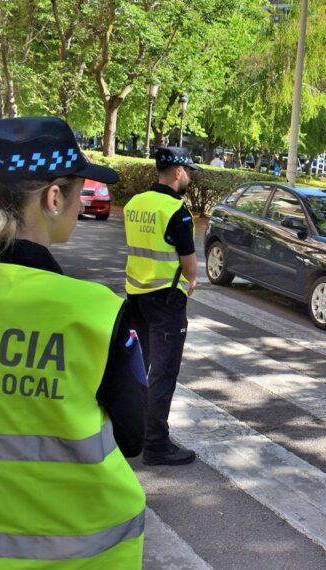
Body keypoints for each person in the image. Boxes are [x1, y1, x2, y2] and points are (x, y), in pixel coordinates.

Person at [0, 117, 146, 567]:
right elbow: (133, 436)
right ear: (53, 198)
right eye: (79, 191)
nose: (81, 203)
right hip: (80, 558)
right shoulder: (95, 313)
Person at [124, 146, 199, 466]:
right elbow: (189, 265)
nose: (190, 177)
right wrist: (191, 281)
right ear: (178, 172)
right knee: (163, 373)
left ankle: (131, 431)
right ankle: (155, 444)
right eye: (189, 172)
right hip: (166, 301)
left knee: (138, 368)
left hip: (135, 297)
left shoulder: (135, 204)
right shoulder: (177, 212)